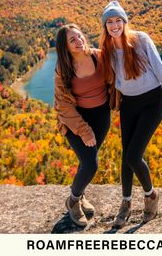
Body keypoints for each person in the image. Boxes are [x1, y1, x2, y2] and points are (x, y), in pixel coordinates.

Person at [100, 1, 162, 228]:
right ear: (105, 26)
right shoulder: (108, 49)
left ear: (125, 21)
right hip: (128, 104)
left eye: (118, 20)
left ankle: (151, 195)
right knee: (126, 156)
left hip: (153, 102)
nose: (114, 25)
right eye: (109, 22)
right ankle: (125, 203)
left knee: (133, 156)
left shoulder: (141, 40)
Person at [54, 24, 110, 227]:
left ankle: (81, 194)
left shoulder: (99, 56)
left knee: (86, 160)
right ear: (65, 47)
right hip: (75, 120)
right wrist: (84, 131)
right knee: (90, 163)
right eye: (72, 40)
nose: (79, 41)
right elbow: (63, 105)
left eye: (79, 36)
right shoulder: (64, 67)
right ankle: (73, 201)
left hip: (102, 117)